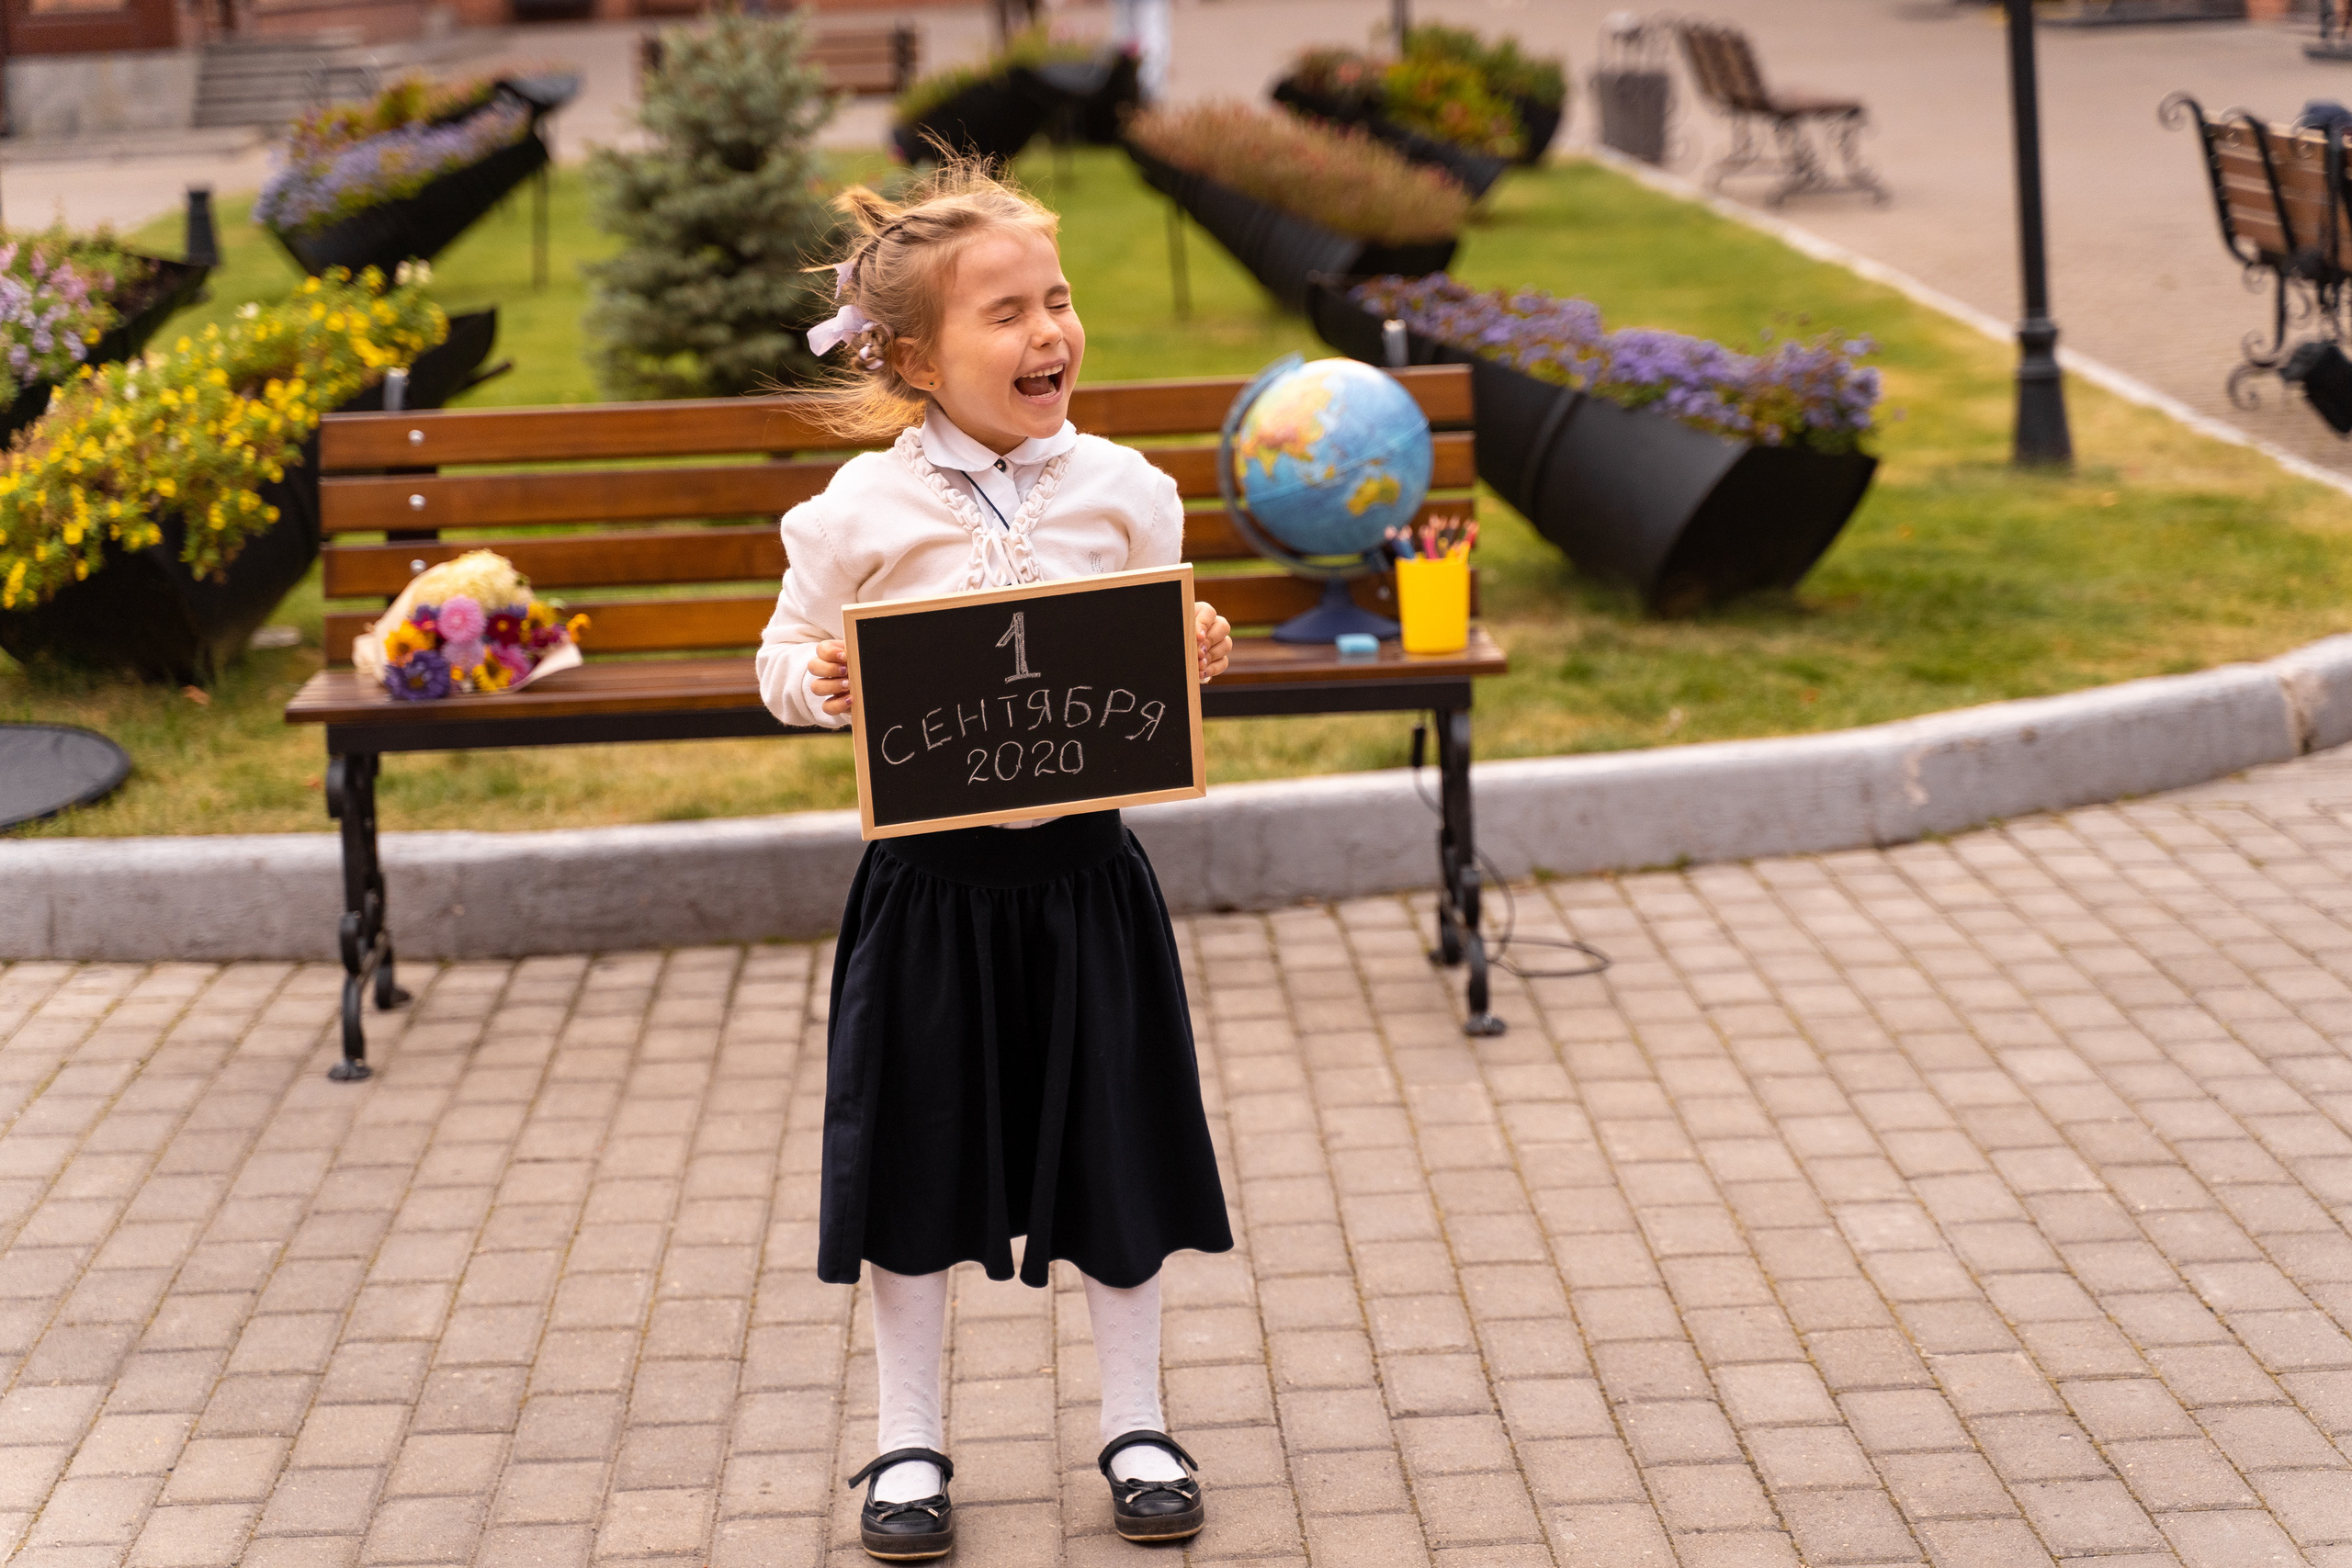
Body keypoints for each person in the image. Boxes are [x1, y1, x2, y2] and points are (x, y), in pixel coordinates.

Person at [753, 158, 1236, 1562]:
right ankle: (907, 1443)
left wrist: (1201, 653)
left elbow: (1159, 651)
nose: (1050, 335)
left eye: (1060, 302)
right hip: (929, 900)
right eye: (1009, 314)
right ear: (915, 359)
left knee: (1115, 1144)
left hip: (1088, 886)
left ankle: (1136, 1423)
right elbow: (781, 656)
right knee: (914, 1155)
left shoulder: (1126, 491)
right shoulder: (854, 515)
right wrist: (820, 682)